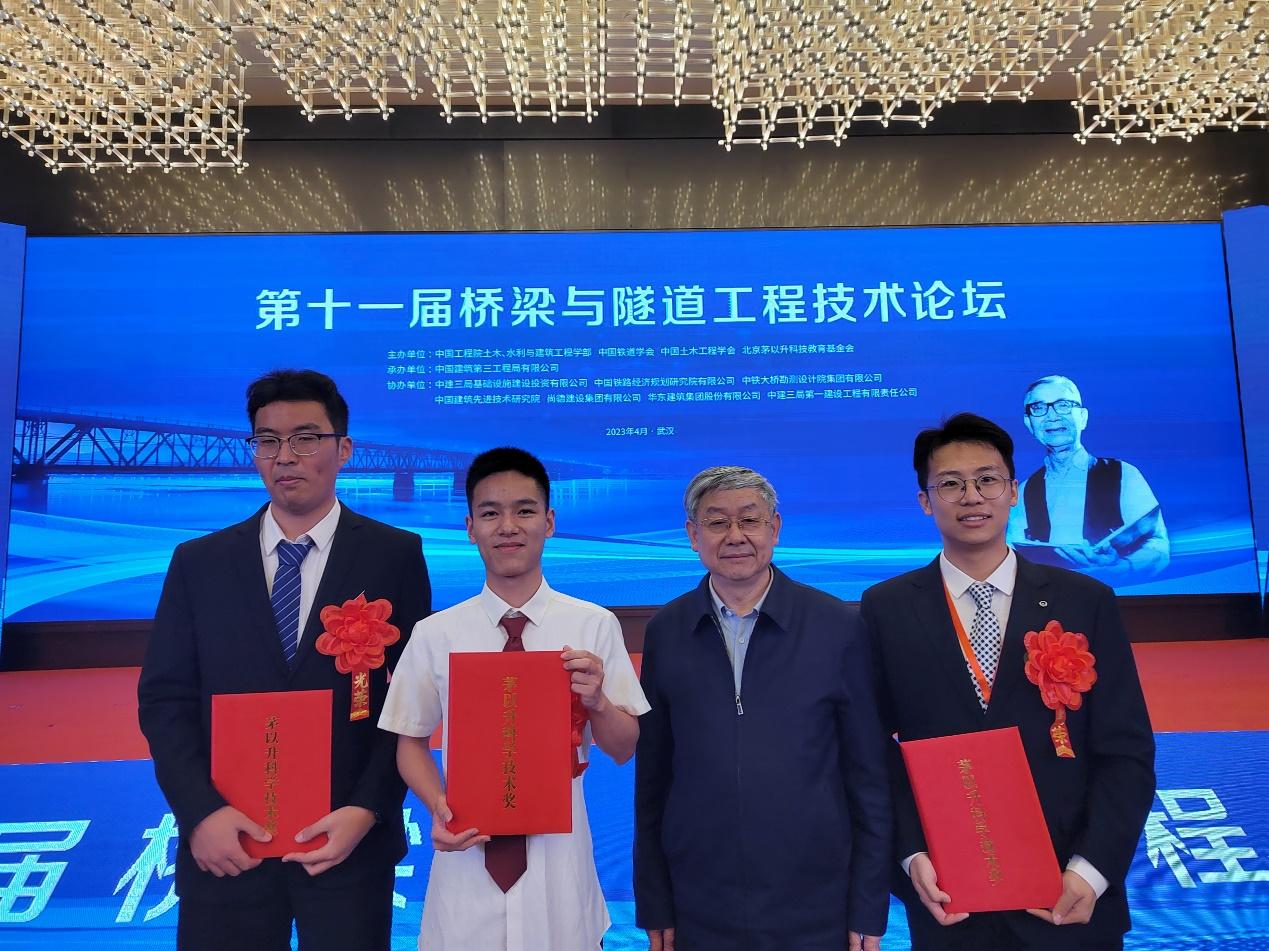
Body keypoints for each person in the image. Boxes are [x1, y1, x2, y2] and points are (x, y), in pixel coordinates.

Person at [137, 368, 431, 951]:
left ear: (344, 449)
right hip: (229, 846)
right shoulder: (199, 562)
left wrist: (368, 809)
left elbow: (411, 701)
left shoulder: (394, 555)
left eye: (306, 438)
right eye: (267, 441)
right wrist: (200, 813)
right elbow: (165, 699)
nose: (285, 456)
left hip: (345, 845)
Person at [864, 412, 1155, 951]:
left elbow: (1126, 750)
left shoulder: (1085, 602)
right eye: (950, 484)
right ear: (925, 501)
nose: (971, 496)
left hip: (1067, 896)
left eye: (987, 479)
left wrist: (1091, 871)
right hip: (950, 896)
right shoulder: (886, 609)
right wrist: (909, 855)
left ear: (1013, 492)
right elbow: (872, 748)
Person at [379, 446, 647, 951]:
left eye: (524, 511)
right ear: (470, 527)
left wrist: (598, 702)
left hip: (560, 875)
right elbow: (409, 740)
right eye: (490, 513)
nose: (508, 527)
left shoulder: (594, 624)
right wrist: (439, 807)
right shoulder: (436, 633)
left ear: (549, 522)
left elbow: (624, 746)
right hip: (465, 871)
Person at [634, 465, 891, 951]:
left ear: (774, 528)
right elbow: (652, 780)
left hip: (816, 903)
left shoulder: (836, 626)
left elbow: (869, 779)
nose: (735, 536)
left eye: (749, 520)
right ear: (692, 535)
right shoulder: (667, 631)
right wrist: (654, 901)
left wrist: (868, 905)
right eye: (717, 522)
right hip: (698, 902)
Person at [1007, 375, 1169, 580]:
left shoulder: (1123, 474)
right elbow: (1013, 555)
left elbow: (1158, 545)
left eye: (1063, 405)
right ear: (1029, 423)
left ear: (1083, 417)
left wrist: (1118, 569)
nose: (1052, 416)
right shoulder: (1023, 492)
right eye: (1038, 408)